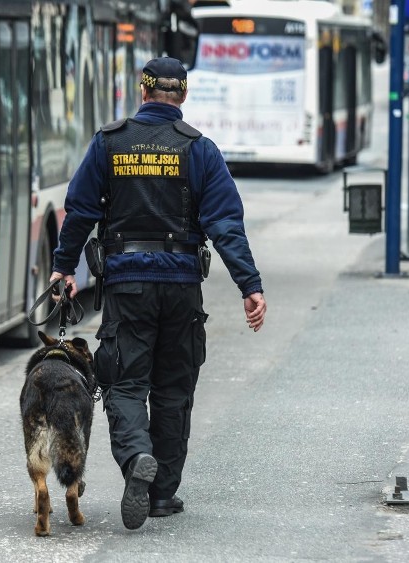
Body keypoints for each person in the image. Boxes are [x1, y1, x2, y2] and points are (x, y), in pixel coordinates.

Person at [49, 56, 266, 530]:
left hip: (127, 286)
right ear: (182, 97)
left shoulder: (109, 143)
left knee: (125, 382)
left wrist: (64, 268)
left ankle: (137, 459)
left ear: (142, 91)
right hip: (182, 287)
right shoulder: (199, 149)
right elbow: (226, 223)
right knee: (174, 389)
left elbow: (80, 210)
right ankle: (163, 494)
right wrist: (249, 285)